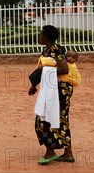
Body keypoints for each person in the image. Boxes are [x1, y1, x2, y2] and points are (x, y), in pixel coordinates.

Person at [27, 25, 74, 165]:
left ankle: (50, 152)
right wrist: (33, 85)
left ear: (46, 37)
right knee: (57, 118)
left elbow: (64, 69)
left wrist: (44, 69)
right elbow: (42, 70)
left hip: (60, 89)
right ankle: (68, 153)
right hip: (50, 88)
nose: (39, 36)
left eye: (41, 34)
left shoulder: (56, 49)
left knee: (47, 119)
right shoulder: (45, 50)